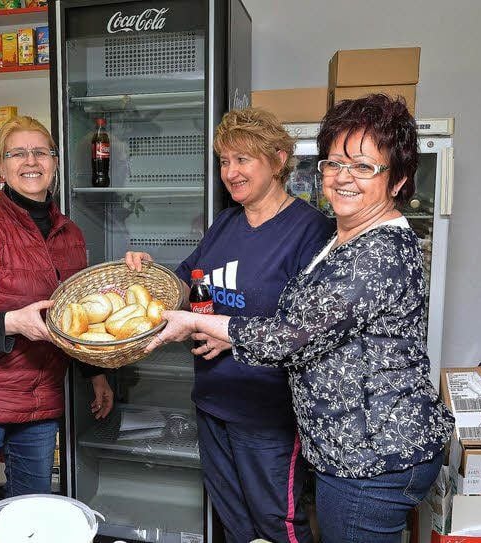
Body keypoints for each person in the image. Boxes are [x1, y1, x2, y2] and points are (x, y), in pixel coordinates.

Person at [148, 95, 455, 542]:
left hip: (372, 455)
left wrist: (200, 324)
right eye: (334, 163)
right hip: (345, 448)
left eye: (363, 166)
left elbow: (290, 335)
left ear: (398, 180)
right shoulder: (343, 240)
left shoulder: (375, 253)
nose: (343, 177)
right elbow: (294, 319)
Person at [126, 107, 333, 543]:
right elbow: (189, 284)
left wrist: (229, 333)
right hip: (213, 401)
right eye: (224, 161)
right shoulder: (226, 223)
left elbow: (306, 328)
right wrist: (149, 273)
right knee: (235, 524)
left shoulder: (310, 231)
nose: (230, 172)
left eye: (243, 159)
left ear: (278, 160)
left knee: (277, 525)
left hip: (267, 414)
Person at [0, 116, 114, 504]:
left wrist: (95, 374)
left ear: (54, 162)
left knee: (30, 513)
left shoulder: (70, 234)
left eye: (40, 152)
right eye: (18, 153)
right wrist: (14, 322)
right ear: (1, 167)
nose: (31, 161)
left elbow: (74, 316)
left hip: (39, 398)